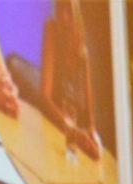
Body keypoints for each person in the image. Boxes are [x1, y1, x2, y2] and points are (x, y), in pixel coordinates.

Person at [40, 0, 101, 160]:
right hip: (52, 133)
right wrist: (73, 131)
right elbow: (44, 99)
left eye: (68, 10)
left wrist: (91, 136)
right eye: (60, 8)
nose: (64, 17)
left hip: (74, 145)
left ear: (76, 13)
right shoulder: (51, 29)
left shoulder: (83, 54)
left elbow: (90, 120)